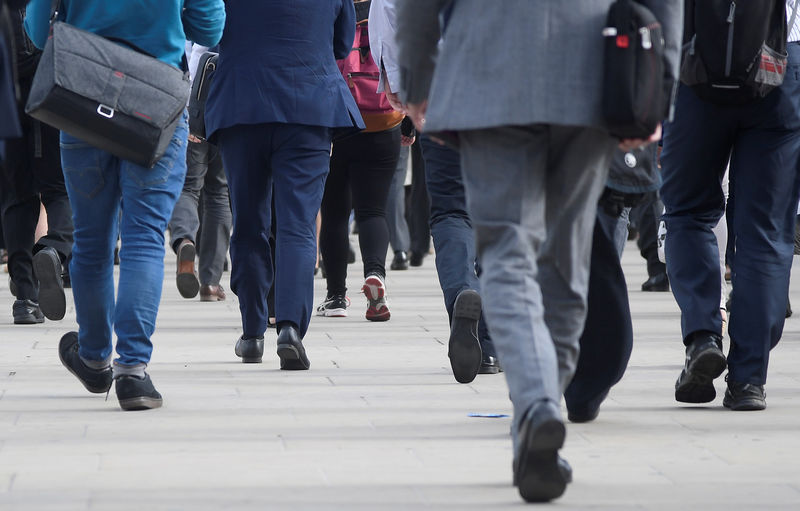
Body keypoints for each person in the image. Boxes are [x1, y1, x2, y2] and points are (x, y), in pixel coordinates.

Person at [396, 0, 681, 502]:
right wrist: (661, 81)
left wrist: (418, 81)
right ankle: (540, 410)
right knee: (569, 262)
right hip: (591, 74)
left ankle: (536, 407)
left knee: (508, 256)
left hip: (489, 71)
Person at [25, 0, 225, 411]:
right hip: (155, 98)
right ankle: (132, 372)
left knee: (93, 239)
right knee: (144, 237)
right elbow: (210, 27)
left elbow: (34, 27)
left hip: (84, 93)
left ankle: (95, 356)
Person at [205, 0, 363, 368]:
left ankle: (252, 332)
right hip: (308, 104)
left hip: (241, 103)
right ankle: (290, 327)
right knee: (298, 224)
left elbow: (206, 30)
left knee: (247, 222)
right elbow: (342, 45)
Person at [660, 1, 800, 412]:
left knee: (687, 212)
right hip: (782, 61)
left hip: (695, 61)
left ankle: (703, 335)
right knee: (766, 231)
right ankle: (748, 379)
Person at [316, 0, 403, 322]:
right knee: (373, 210)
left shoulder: (331, 9)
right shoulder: (385, 8)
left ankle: (336, 296)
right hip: (383, 118)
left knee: (335, 213)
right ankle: (376, 276)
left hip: (337, 118)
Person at [1, 5, 72, 326]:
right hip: (49, 82)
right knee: (59, 189)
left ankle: (25, 298)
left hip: (7, 86)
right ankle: (53, 250)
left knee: (17, 195)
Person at [169, 43, 232, 303]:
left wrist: (189, 110)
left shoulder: (209, 7)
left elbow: (198, 54)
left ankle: (184, 239)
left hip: (199, 103)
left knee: (188, 187)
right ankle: (210, 282)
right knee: (219, 192)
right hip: (232, 109)